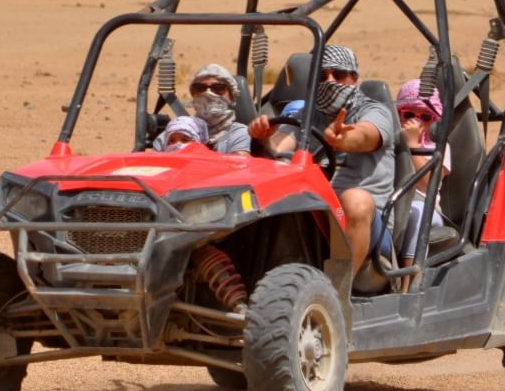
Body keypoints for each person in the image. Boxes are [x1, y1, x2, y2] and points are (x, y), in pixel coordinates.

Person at [249, 45, 394, 276]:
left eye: (337, 75)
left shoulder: (374, 111)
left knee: (355, 200)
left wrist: (345, 139)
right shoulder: (306, 114)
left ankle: (338, 290)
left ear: (353, 78)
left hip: (366, 225)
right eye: (321, 76)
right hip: (315, 212)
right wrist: (264, 138)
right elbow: (279, 147)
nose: (329, 81)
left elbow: (366, 135)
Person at [394, 79, 451, 292]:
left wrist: (413, 146)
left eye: (425, 117)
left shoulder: (439, 148)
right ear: (399, 114)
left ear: (434, 119)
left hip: (426, 208)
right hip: (393, 203)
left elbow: (428, 183)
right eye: (409, 115)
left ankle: (408, 285)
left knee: (417, 213)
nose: (416, 122)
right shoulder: (390, 142)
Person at [152, 64, 250, 155]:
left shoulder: (238, 134)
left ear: (232, 96)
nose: (208, 93)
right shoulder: (171, 135)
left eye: (218, 88)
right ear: (193, 96)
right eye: (199, 88)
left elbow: (240, 168)